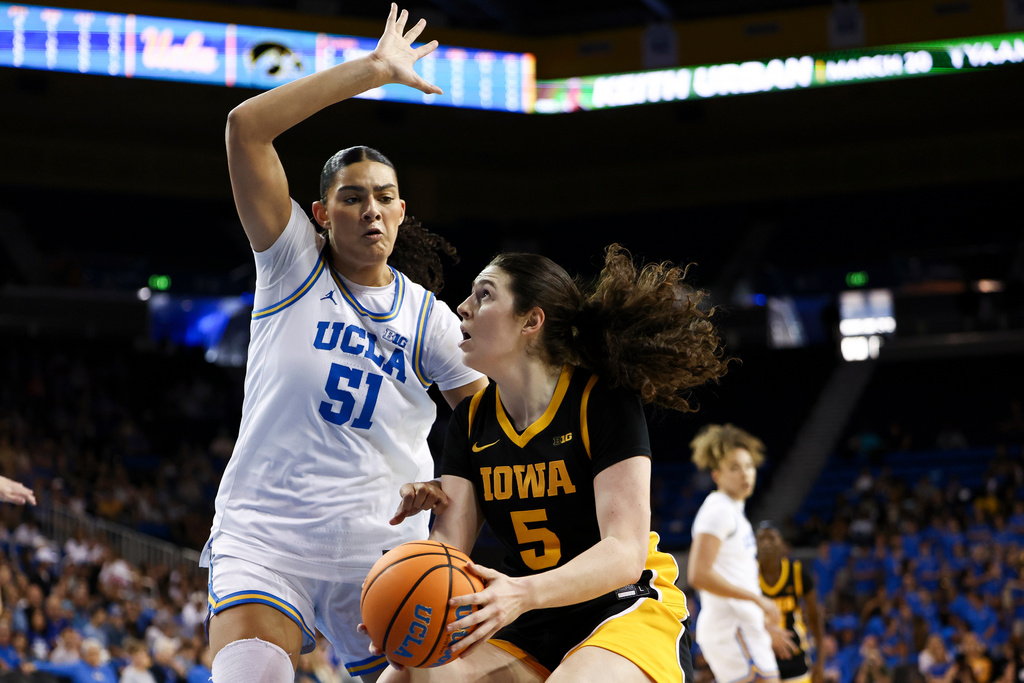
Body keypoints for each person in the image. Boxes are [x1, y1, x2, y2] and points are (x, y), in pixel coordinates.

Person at [202, 5, 488, 683]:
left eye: (384, 197)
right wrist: (374, 70)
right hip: (267, 537)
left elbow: (490, 429)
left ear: (402, 212)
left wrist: (451, 505)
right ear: (320, 214)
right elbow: (245, 128)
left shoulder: (429, 319)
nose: (371, 209)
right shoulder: (290, 265)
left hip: (384, 552)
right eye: (352, 197)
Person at [379, 245, 731, 682]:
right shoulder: (470, 421)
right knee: (405, 677)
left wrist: (523, 593)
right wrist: (396, 604)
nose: (463, 307)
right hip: (529, 618)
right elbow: (450, 546)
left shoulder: (601, 400)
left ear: (531, 321)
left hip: (621, 603)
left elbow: (624, 551)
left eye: (484, 295)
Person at [686, 424, 797, 683]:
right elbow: (699, 575)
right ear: (717, 475)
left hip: (743, 626)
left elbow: (735, 576)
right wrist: (758, 601)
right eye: (734, 467)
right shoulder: (718, 510)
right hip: (731, 627)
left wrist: (762, 623)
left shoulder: (735, 513)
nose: (745, 473)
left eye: (749, 466)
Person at [756, 522, 827, 683]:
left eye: (771, 538)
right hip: (761, 659)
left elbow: (815, 619)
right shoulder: (748, 576)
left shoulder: (797, 573)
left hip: (795, 658)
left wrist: (820, 663)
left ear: (782, 544)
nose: (766, 543)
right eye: (761, 539)